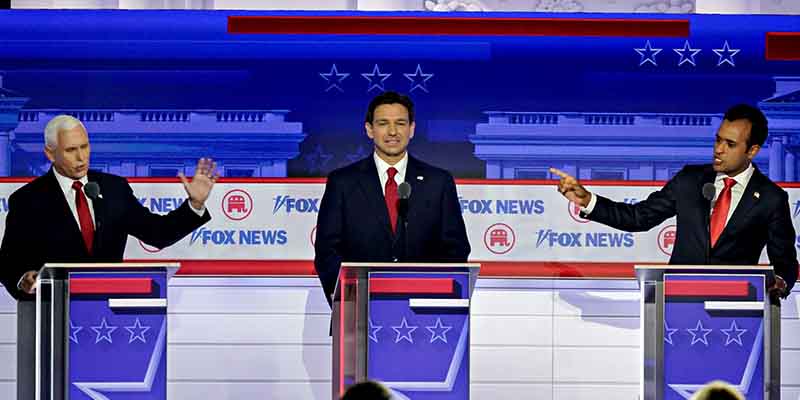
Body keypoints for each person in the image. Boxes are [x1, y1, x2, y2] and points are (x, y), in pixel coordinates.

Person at [0, 114, 218, 400]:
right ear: (50, 153)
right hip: (57, 328)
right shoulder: (28, 200)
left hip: (112, 326)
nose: (81, 157)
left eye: (85, 147)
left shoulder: (113, 189)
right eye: (71, 150)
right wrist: (24, 279)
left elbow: (157, 233)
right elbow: (9, 261)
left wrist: (194, 205)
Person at [551, 104, 797, 296]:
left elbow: (785, 262)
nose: (719, 149)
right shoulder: (690, 180)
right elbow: (638, 217)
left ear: (752, 150)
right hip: (678, 302)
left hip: (737, 313)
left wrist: (780, 283)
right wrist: (588, 200)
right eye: (718, 139)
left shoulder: (770, 198)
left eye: (730, 144)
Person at [314, 91, 471, 304]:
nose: (392, 131)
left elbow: (456, 249)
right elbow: (327, 251)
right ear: (369, 129)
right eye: (383, 123)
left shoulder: (438, 182)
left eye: (400, 123)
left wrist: (436, 297)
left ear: (412, 129)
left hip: (425, 314)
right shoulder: (343, 182)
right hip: (359, 312)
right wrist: (347, 299)